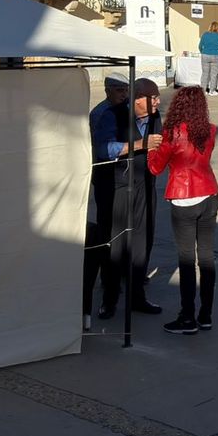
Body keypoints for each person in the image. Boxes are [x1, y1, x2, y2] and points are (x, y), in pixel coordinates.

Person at [147, 85, 218, 335]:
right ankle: (206, 314)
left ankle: (187, 317)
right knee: (207, 256)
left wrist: (151, 149)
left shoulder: (172, 133)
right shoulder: (210, 130)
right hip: (209, 193)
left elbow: (155, 168)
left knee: (187, 259)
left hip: (183, 197)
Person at [91, 77, 164, 321]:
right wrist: (140, 144)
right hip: (117, 187)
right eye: (153, 97)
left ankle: (137, 297)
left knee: (142, 242)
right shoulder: (111, 115)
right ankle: (109, 299)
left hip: (145, 186)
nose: (158, 102)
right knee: (114, 245)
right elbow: (104, 150)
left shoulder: (154, 117)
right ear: (138, 99)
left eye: (157, 97)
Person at [83, 76, 129, 328]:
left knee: (121, 231)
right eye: (119, 90)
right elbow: (103, 150)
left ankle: (119, 276)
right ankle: (108, 285)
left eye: (126, 90)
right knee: (107, 233)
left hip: (120, 180)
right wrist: (133, 146)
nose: (124, 94)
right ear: (108, 90)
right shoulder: (102, 113)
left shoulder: (123, 108)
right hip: (106, 179)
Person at [198, 22, 218, 95]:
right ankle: (212, 91)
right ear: (217, 28)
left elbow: (200, 46)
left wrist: (202, 52)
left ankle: (203, 91)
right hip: (216, 56)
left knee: (205, 74)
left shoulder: (205, 34)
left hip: (205, 55)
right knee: (214, 74)